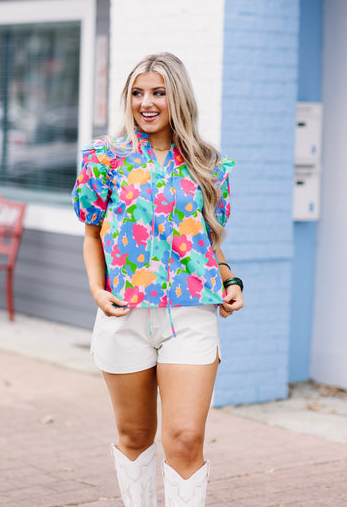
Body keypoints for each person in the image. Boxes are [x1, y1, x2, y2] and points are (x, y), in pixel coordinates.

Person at [72, 52, 243, 506]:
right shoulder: (105, 158)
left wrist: (230, 280)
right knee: (135, 434)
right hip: (124, 314)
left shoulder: (207, 164)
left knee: (185, 438)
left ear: (178, 97)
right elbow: (91, 235)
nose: (146, 103)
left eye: (158, 92)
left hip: (191, 314)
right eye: (137, 93)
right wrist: (96, 289)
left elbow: (209, 241)